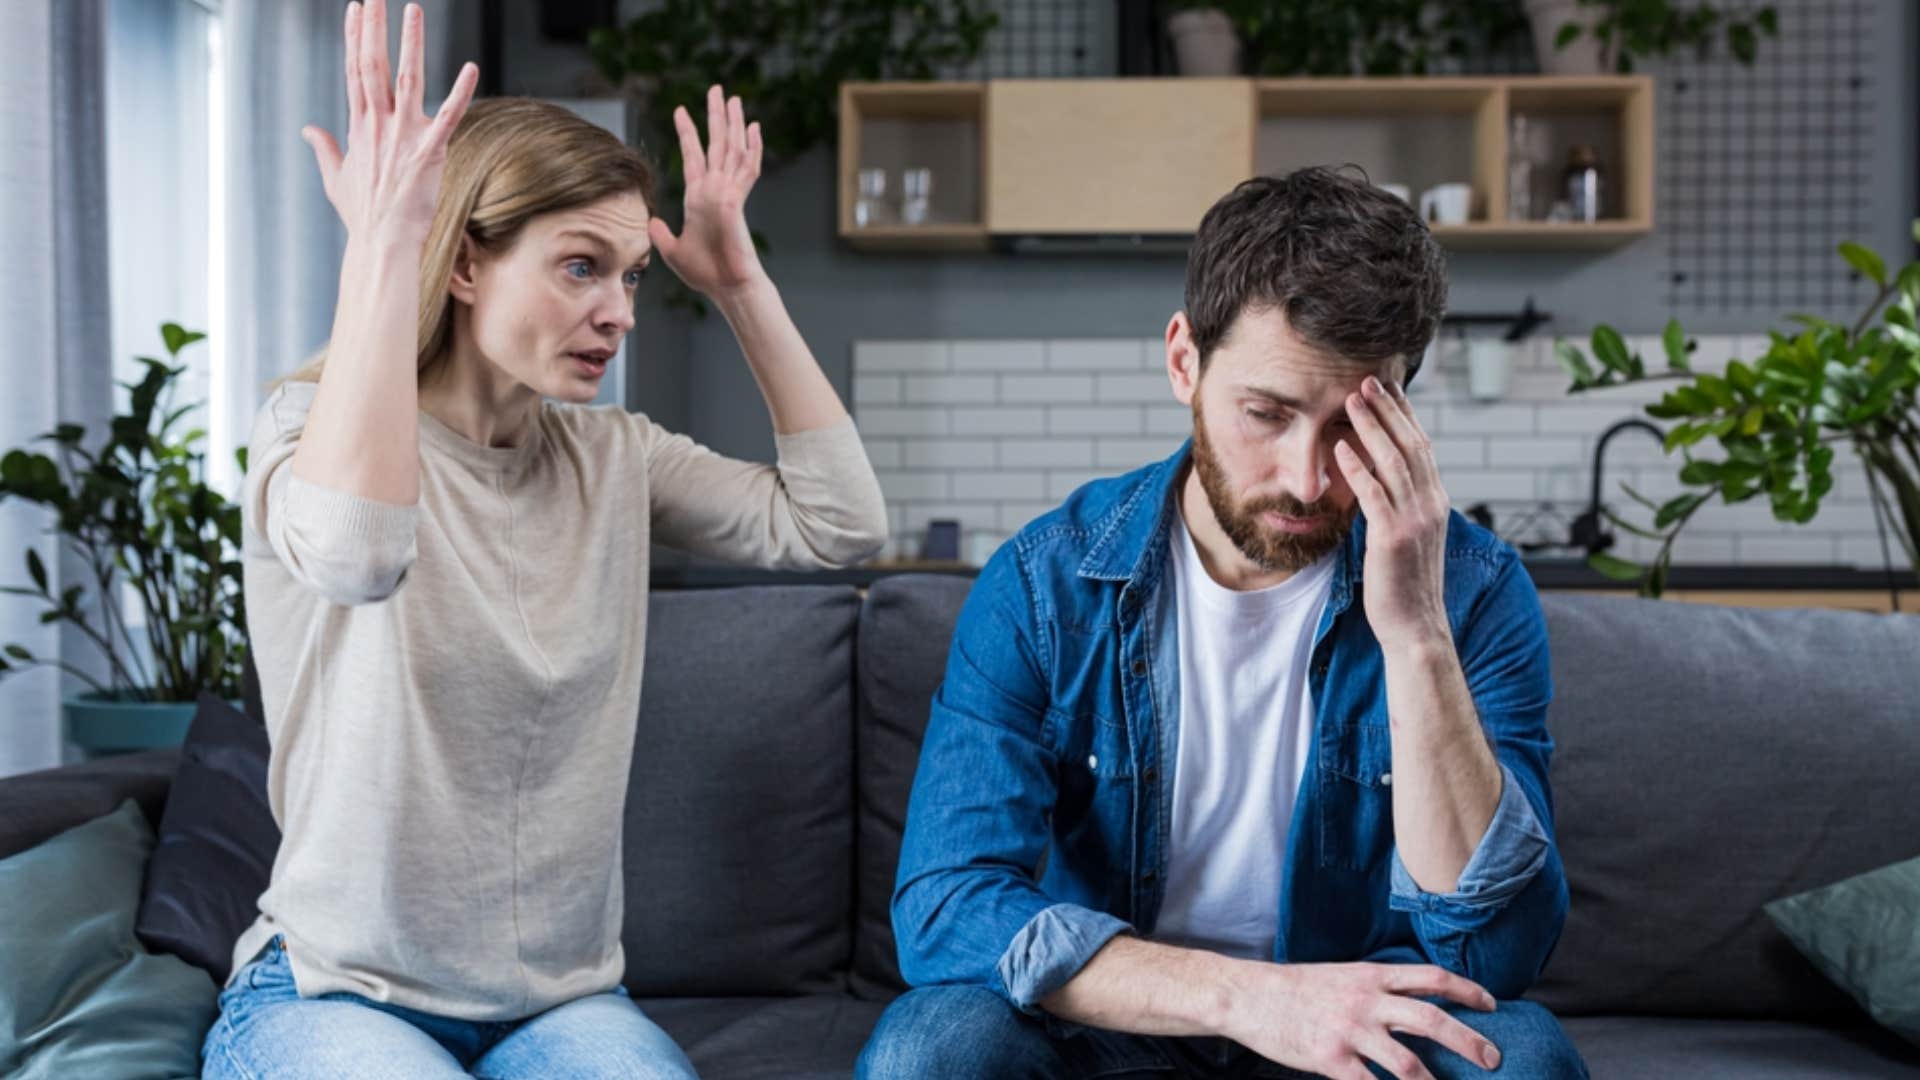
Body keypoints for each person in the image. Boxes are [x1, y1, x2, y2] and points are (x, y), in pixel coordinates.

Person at [201, 1, 887, 1076]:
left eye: (630, 277)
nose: (618, 309)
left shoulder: (613, 457)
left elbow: (841, 528)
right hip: (335, 989)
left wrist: (741, 285)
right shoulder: (309, 429)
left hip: (559, 1005)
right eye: (579, 267)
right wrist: (386, 246)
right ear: (465, 265)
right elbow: (361, 555)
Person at [860, 166, 1587, 1080]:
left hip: (1355, 1027)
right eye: (1267, 414)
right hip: (1119, 1023)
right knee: (933, 1048)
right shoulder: (1045, 586)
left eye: (1350, 427)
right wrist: (1252, 998)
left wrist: (1416, 636)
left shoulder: (1474, 590)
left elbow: (1498, 956)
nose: (1308, 477)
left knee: (1520, 1059)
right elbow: (946, 907)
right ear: (1183, 362)